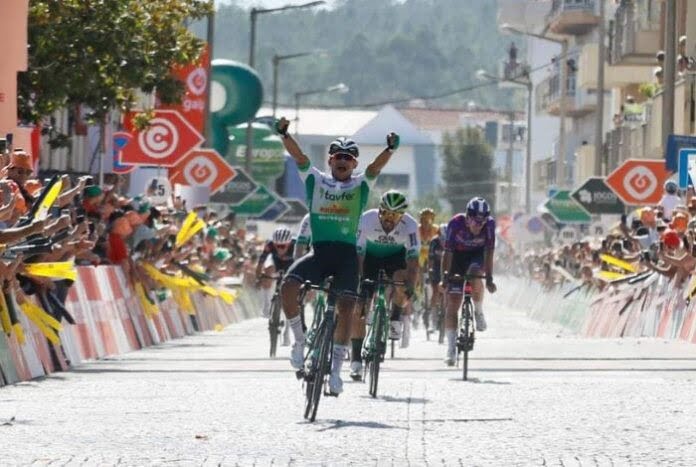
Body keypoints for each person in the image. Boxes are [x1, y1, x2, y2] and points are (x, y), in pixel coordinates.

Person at [275, 116, 399, 396]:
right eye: (338, 156)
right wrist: (284, 134)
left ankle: (335, 372)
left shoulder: (360, 185)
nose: (343, 160)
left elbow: (375, 168)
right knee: (287, 286)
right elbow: (299, 156)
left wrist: (389, 150)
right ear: (330, 161)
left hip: (345, 257)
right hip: (319, 253)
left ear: (354, 164)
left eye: (349, 158)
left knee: (346, 309)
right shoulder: (315, 180)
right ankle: (298, 341)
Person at [349, 190, 419, 380]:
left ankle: (395, 315)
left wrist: (410, 287)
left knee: (401, 281)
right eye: (386, 213)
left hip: (395, 258)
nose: (389, 219)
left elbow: (413, 261)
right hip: (369, 258)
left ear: (402, 216)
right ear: (379, 211)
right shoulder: (366, 220)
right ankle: (355, 359)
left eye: (395, 215)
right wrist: (361, 281)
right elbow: (359, 255)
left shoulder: (411, 225)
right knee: (360, 305)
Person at [440, 197, 497, 366]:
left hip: (476, 256)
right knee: (453, 303)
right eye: (475, 221)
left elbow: (489, 252)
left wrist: (489, 278)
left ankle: (478, 310)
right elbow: (448, 252)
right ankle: (450, 348)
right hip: (456, 257)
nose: (478, 226)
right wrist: (445, 277)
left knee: (474, 275)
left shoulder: (490, 225)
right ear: (467, 217)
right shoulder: (455, 223)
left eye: (482, 222)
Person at [255, 226, 295, 318]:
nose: (280, 248)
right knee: (268, 270)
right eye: (277, 246)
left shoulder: (295, 245)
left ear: (289, 244)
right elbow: (261, 262)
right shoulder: (269, 245)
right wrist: (258, 278)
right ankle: (266, 306)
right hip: (276, 264)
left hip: (291, 265)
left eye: (283, 246)